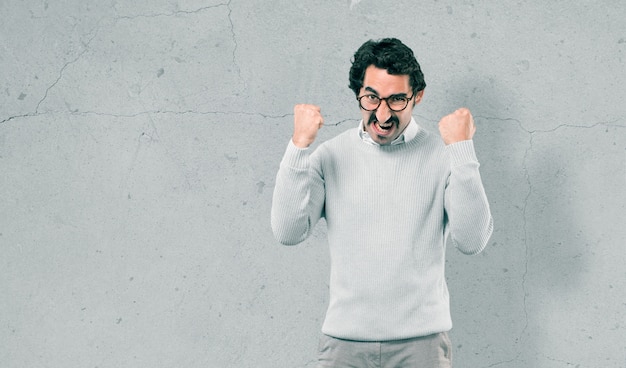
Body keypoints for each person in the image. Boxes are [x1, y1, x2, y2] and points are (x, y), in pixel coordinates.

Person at [271, 38, 493, 368]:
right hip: (343, 347)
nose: (383, 114)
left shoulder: (443, 155)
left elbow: (473, 241)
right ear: (358, 94)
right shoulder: (331, 155)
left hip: (422, 347)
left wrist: (461, 150)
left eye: (397, 100)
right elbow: (288, 232)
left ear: (417, 96)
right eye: (372, 98)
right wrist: (298, 146)